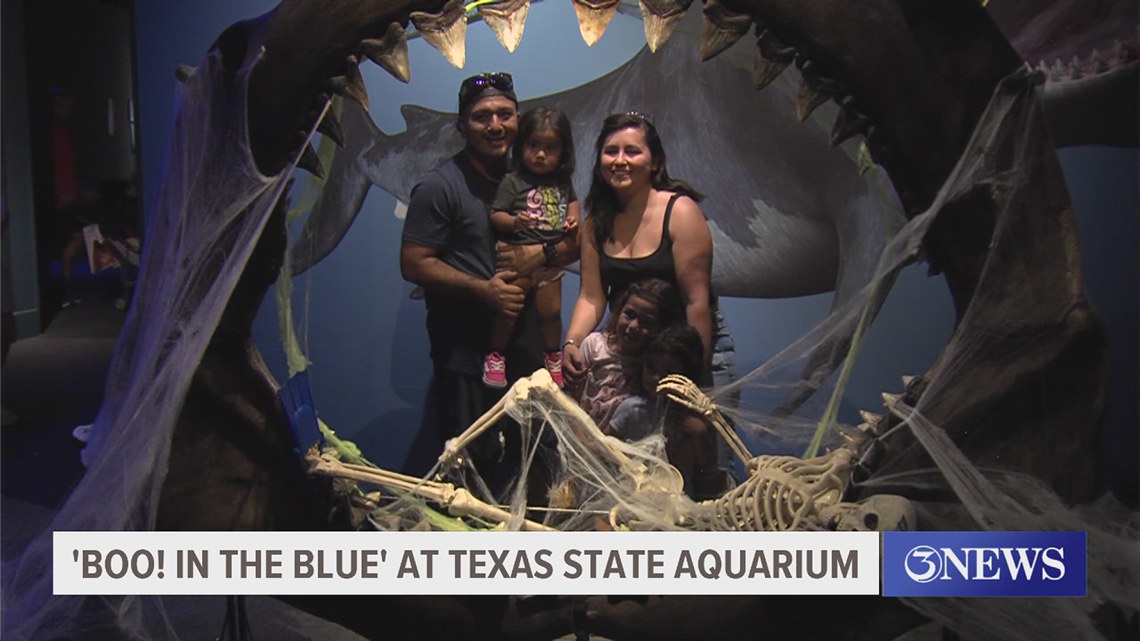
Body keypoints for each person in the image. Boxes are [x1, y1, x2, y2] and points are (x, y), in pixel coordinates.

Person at [399, 72, 579, 497]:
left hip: (527, 343)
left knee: (537, 456)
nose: (495, 126)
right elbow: (413, 263)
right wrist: (484, 290)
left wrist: (541, 255)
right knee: (471, 465)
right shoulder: (439, 187)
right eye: (481, 117)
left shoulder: (535, 177)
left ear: (519, 118)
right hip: (465, 350)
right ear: (461, 125)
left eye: (504, 114)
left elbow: (574, 242)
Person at [561, 111, 739, 483]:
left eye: (632, 151)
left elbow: (696, 304)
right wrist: (573, 342)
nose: (620, 160)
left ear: (654, 161)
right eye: (611, 151)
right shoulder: (595, 223)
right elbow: (592, 296)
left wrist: (693, 385)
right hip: (633, 363)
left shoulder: (681, 212)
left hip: (694, 357)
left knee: (706, 470)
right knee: (639, 478)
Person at [483, 107, 580, 389]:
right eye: (533, 146)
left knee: (551, 313)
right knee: (508, 310)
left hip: (550, 264)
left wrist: (573, 220)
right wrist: (514, 222)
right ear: (521, 145)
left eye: (550, 148)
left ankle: (553, 355)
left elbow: (573, 206)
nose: (540, 154)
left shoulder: (563, 183)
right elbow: (495, 214)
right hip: (518, 258)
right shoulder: (513, 181)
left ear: (563, 152)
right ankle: (496, 354)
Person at [608, 324, 730, 499]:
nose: (656, 378)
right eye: (651, 367)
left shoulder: (694, 417)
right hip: (632, 498)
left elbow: (706, 471)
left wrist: (700, 435)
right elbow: (604, 444)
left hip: (679, 505)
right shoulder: (632, 409)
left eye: (669, 372)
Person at [568, 277, 684, 433]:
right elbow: (572, 396)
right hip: (578, 434)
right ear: (618, 311)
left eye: (647, 322)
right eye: (629, 314)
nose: (634, 326)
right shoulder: (595, 345)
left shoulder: (650, 365)